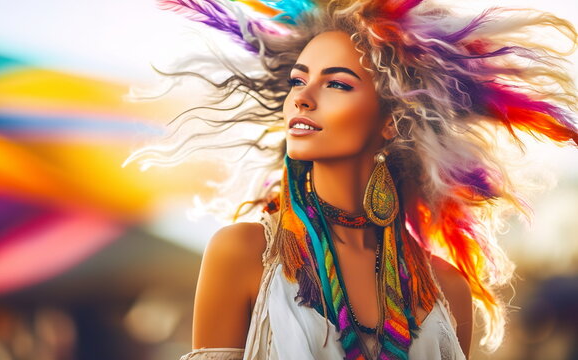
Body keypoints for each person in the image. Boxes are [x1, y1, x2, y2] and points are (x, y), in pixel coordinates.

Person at [123, 0, 578, 359]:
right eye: (298, 81)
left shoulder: (446, 290)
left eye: (336, 84)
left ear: (392, 120)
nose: (302, 98)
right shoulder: (243, 256)